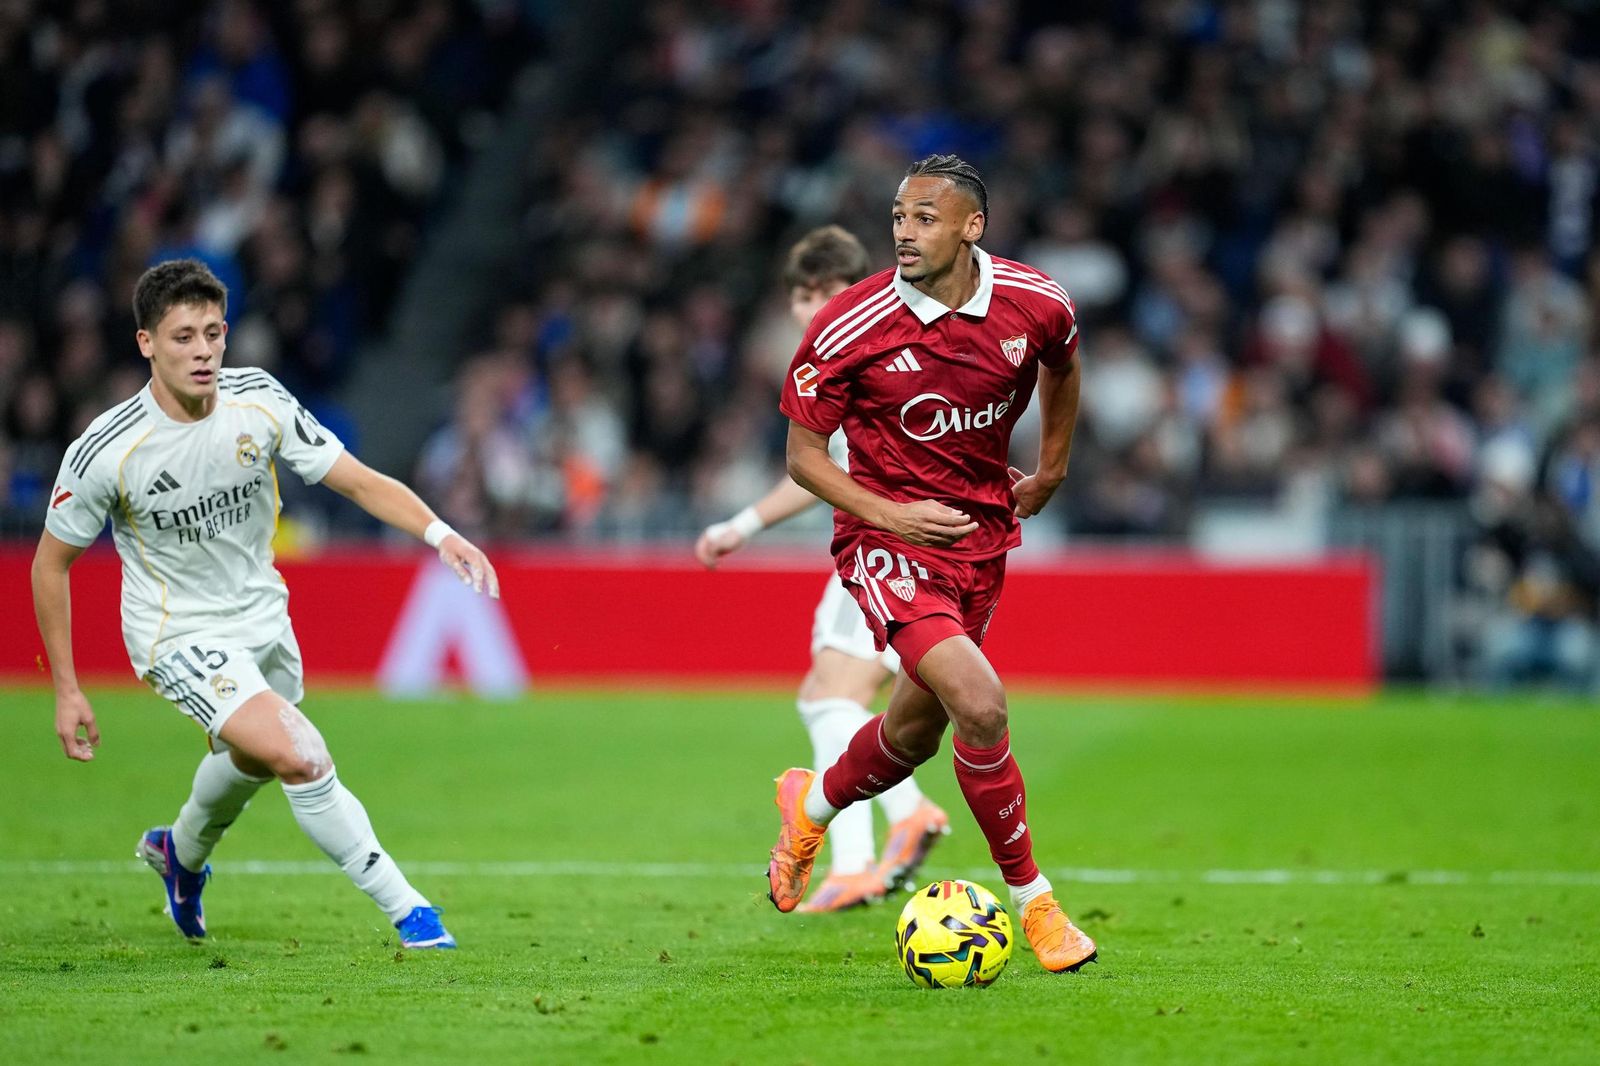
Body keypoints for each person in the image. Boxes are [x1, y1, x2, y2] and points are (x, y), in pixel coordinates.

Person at [31, 259, 499, 949]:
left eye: (213, 333)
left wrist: (441, 534)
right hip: (176, 632)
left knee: (254, 759)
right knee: (300, 755)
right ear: (146, 344)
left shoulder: (259, 400)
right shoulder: (107, 449)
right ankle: (412, 912)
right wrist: (67, 689)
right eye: (183, 337)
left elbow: (357, 480)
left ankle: (179, 852)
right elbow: (50, 564)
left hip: (263, 617)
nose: (203, 351)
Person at [766, 155, 1097, 973]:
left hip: (980, 541)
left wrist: (1052, 468)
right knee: (980, 706)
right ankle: (1037, 904)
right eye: (898, 218)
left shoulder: (1036, 301)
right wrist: (889, 515)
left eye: (924, 219)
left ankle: (809, 808)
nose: (904, 234)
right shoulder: (850, 323)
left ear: (971, 227)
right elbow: (803, 457)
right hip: (884, 542)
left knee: (912, 735)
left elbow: (1062, 363)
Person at [697, 226, 949, 912]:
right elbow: (825, 467)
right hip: (911, 543)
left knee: (828, 700)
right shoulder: (892, 338)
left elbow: (820, 469)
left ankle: (886, 835)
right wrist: (744, 525)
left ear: (845, 289)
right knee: (840, 698)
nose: (802, 308)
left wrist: (740, 525)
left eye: (815, 293)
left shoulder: (852, 346)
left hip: (882, 546)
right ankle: (878, 842)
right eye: (797, 296)